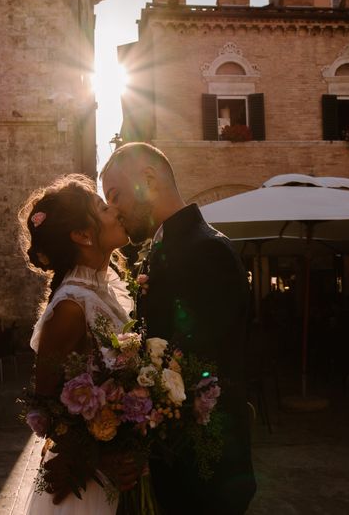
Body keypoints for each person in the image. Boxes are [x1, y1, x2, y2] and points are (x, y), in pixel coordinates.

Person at [101, 142, 257, 514]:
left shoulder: (207, 251)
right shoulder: (167, 248)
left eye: (115, 195)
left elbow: (200, 364)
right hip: (177, 465)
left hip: (206, 473)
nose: (113, 209)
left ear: (148, 181)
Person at [14, 174, 135, 514]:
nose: (114, 209)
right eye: (102, 206)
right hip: (87, 480)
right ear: (82, 235)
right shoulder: (71, 306)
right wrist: (100, 458)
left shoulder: (106, 289)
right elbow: (44, 405)